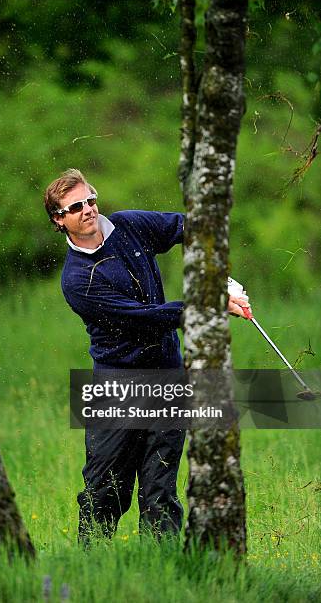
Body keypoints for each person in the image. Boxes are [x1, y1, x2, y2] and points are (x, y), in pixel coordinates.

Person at [44, 168, 249, 542]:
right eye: (76, 206)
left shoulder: (128, 226)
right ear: (60, 220)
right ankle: (89, 568)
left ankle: (162, 567)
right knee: (106, 491)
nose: (89, 209)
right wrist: (211, 303)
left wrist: (215, 269)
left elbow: (191, 226)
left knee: (160, 489)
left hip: (168, 376)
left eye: (91, 199)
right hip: (117, 387)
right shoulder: (76, 280)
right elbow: (145, 320)